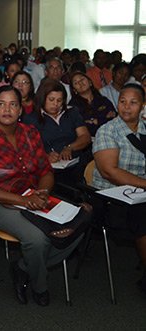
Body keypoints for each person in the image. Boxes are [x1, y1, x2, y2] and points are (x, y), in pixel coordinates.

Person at [0, 85, 85, 306]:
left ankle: (23, 268)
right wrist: (23, 200)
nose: (7, 109)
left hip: (32, 196)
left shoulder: (30, 133)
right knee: (37, 238)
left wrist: (42, 192)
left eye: (13, 104)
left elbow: (45, 171)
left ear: (21, 110)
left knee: (79, 220)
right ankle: (40, 287)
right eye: (1, 104)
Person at [92, 84, 146, 296]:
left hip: (140, 193)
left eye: (133, 102)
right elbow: (110, 172)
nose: (126, 107)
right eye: (122, 101)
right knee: (143, 214)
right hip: (111, 197)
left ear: (142, 105)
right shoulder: (108, 130)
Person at [25, 79, 92, 185]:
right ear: (42, 99)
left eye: (59, 100)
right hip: (50, 169)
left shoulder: (71, 112)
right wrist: (45, 156)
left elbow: (85, 137)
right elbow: (28, 149)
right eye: (51, 100)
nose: (55, 104)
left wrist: (70, 147)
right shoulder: (31, 119)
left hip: (77, 163)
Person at [69, 72, 116, 137]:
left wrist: (96, 121)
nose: (80, 83)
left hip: (110, 134)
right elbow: (84, 128)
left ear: (90, 82)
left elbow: (114, 118)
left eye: (82, 79)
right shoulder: (73, 106)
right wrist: (105, 118)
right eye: (76, 83)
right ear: (74, 90)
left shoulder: (103, 100)